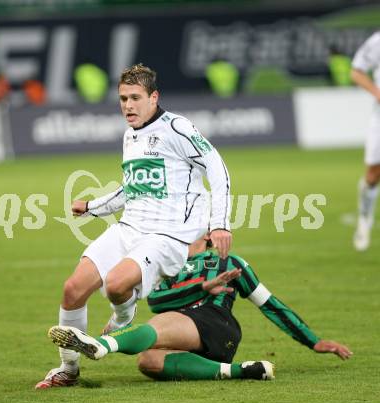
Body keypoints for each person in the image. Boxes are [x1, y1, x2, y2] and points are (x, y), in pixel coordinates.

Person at [35, 64, 232, 389]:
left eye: (135, 98)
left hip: (167, 236)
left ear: (154, 97)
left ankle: (123, 319)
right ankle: (67, 371)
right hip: (129, 228)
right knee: (73, 290)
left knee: (115, 284)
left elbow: (217, 167)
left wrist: (220, 224)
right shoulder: (130, 135)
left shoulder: (178, 128)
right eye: (123, 98)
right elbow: (131, 187)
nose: (128, 105)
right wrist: (93, 207)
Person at [48, 234, 352, 383]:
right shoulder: (169, 265)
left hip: (218, 324)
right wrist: (200, 287)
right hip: (193, 336)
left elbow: (270, 304)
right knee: (149, 362)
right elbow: (155, 301)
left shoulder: (230, 263)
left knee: (160, 325)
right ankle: (241, 371)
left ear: (206, 235)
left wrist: (313, 340)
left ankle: (101, 346)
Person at [351, 31, 380, 251]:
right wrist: (376, 92)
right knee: (373, 174)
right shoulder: (377, 41)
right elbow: (356, 71)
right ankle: (364, 217)